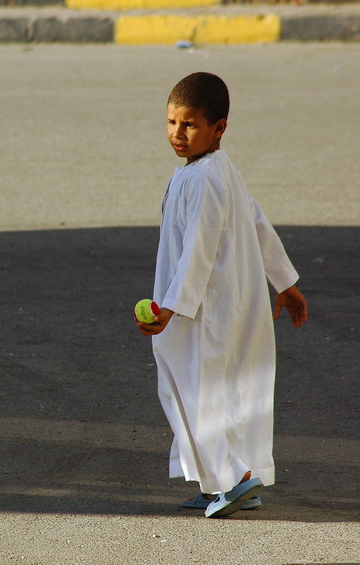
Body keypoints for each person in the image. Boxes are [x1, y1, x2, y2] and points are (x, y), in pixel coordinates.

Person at [135, 72, 308, 518]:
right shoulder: (213, 170)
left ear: (219, 127)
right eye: (171, 122)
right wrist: (285, 282)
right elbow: (256, 222)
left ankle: (234, 481)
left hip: (203, 310)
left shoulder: (206, 179)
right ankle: (219, 482)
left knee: (197, 393)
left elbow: (198, 249)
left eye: (189, 124)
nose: (177, 133)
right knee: (213, 392)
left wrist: (169, 308)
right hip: (217, 304)